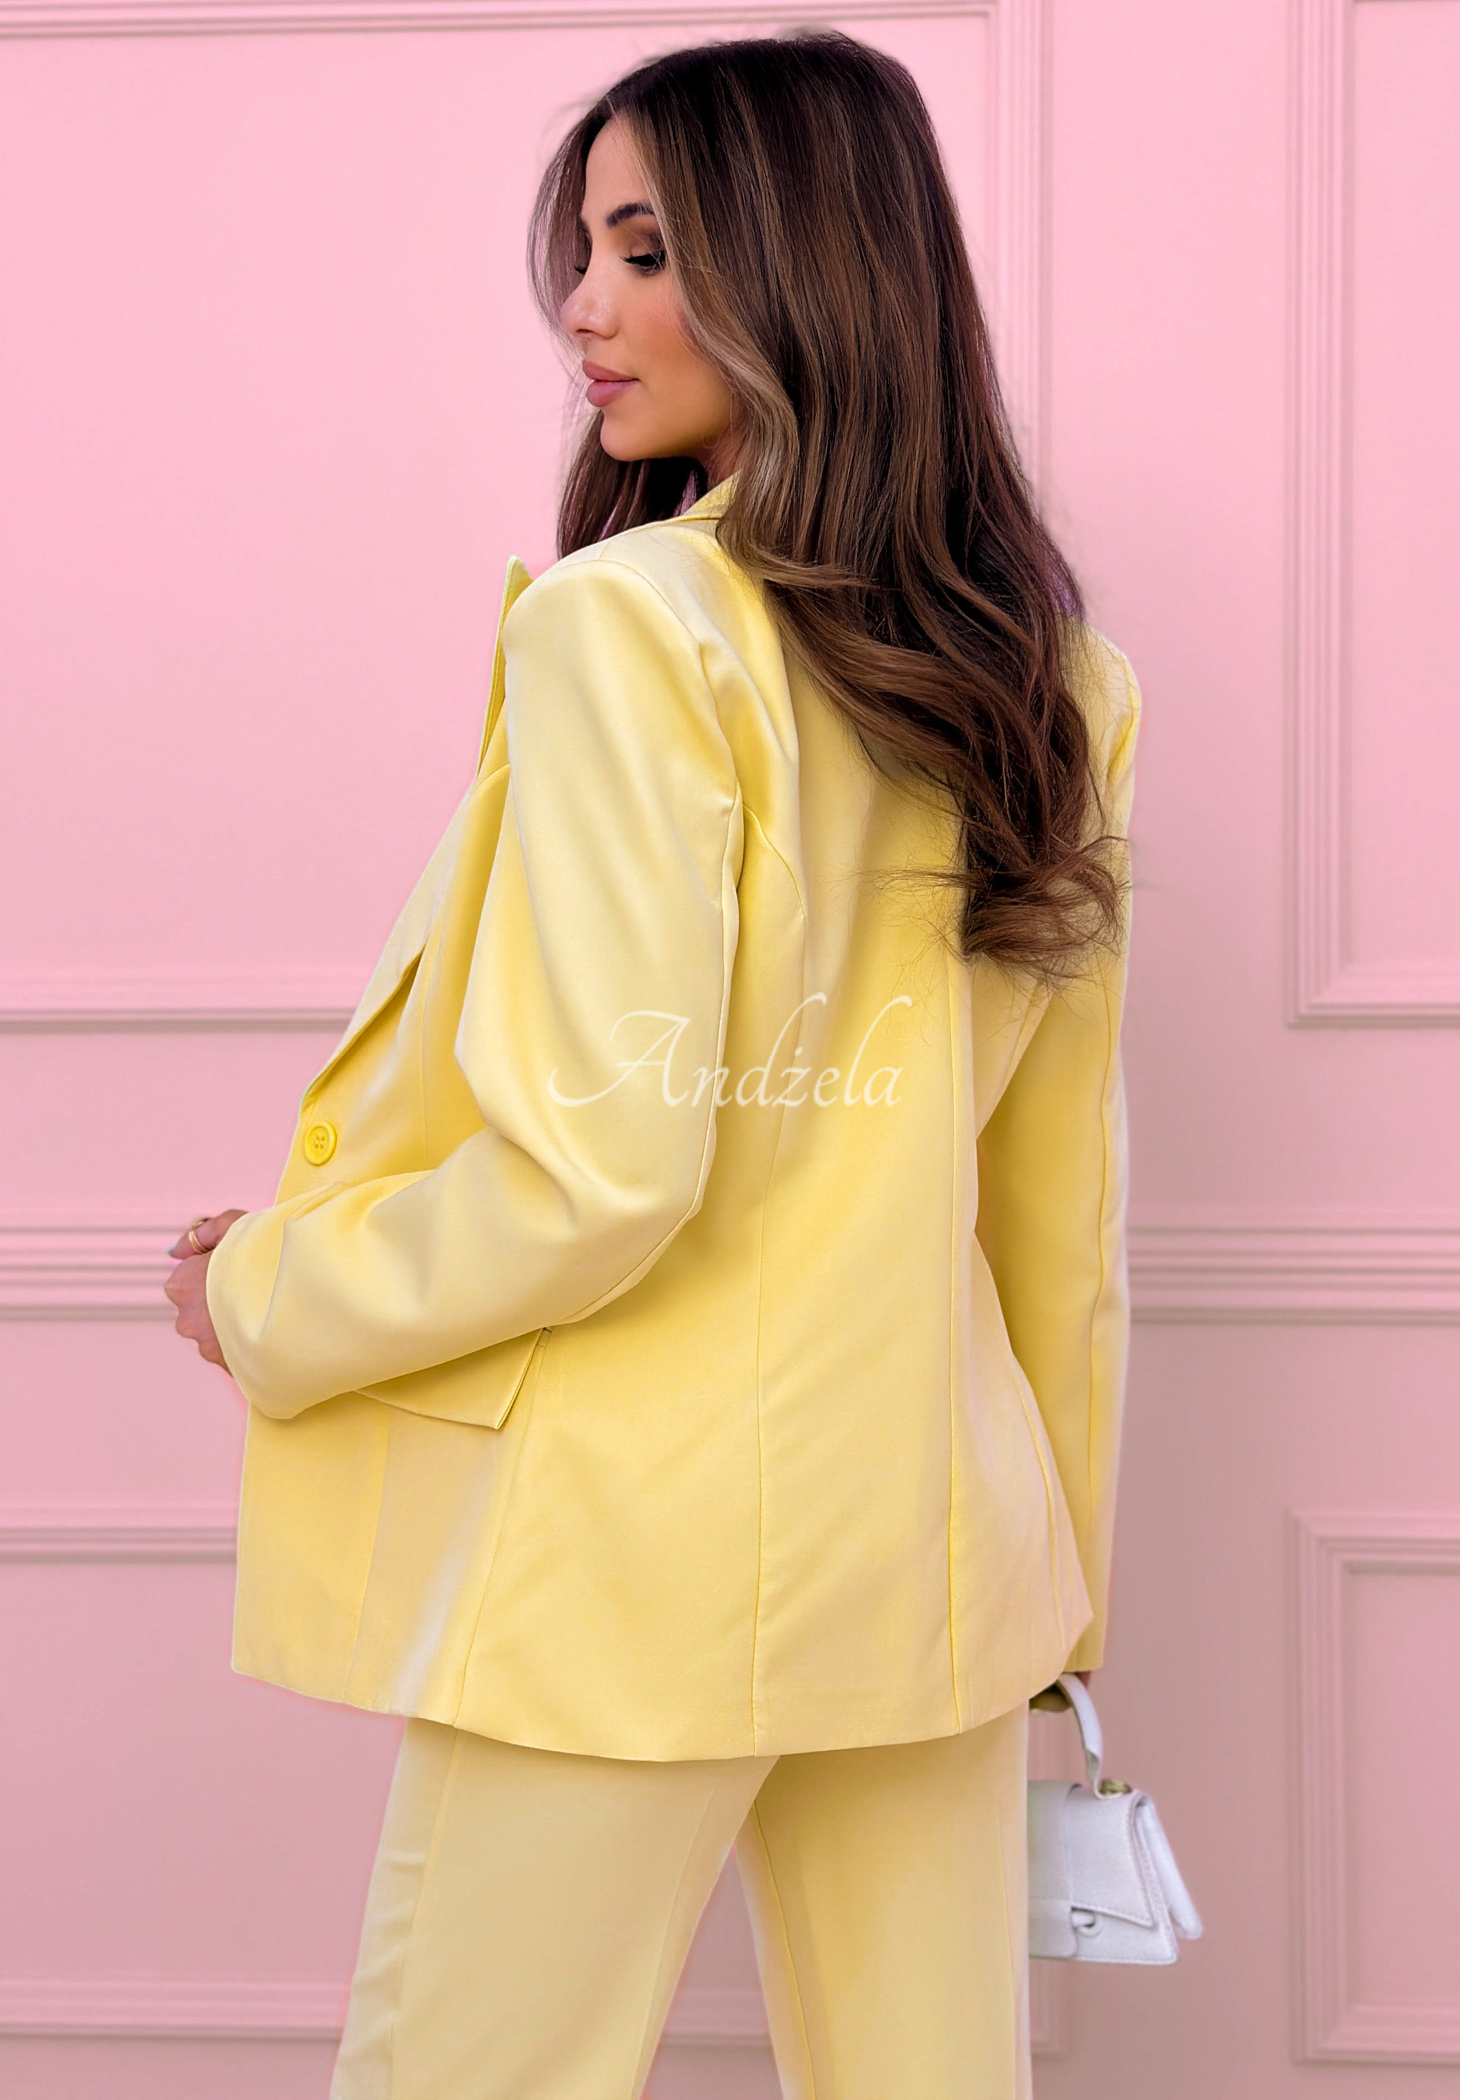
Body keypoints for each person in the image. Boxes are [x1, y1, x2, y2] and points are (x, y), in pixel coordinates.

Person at [165, 29, 1141, 2100]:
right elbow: (1060, 1219)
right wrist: (1055, 1590)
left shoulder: (632, 629)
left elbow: (602, 1172)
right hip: (937, 1558)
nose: (583, 309)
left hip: (625, 1566)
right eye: (587, 248)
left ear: (806, 269)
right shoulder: (1054, 680)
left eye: (647, 248)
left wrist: (267, 1291)